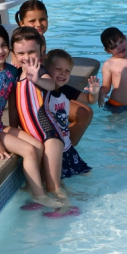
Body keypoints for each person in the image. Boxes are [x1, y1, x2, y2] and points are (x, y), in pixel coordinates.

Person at [0, 23, 61, 208]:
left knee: (37, 145)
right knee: (28, 150)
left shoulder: (10, 71)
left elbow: (12, 103)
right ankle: (39, 197)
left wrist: (14, 130)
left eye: (3, 46)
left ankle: (32, 186)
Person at [14, 0, 94, 146]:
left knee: (86, 112)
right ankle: (65, 150)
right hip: (38, 95)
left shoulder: (41, 39)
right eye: (32, 21)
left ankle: (67, 148)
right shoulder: (21, 45)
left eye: (42, 19)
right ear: (21, 23)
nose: (38, 24)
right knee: (83, 113)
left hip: (50, 86)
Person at [10, 26, 69, 205]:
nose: (26, 57)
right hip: (33, 136)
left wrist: (37, 79)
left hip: (50, 136)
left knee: (54, 187)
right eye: (21, 53)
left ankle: (67, 207)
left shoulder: (40, 71)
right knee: (43, 180)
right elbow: (15, 107)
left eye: (31, 52)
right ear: (13, 53)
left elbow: (51, 85)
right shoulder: (17, 74)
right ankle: (42, 199)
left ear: (41, 51)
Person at [43, 49, 100, 178]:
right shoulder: (42, 93)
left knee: (88, 174)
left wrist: (94, 92)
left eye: (67, 71)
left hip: (67, 147)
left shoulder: (65, 90)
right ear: (45, 69)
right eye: (58, 69)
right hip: (53, 148)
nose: (63, 73)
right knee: (58, 179)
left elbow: (90, 100)